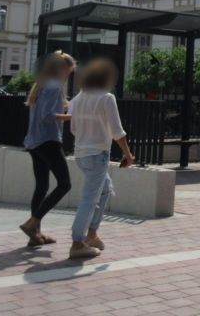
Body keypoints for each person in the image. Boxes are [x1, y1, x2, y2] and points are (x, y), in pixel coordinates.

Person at [65, 58, 134, 259]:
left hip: (81, 154)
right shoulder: (106, 98)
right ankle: (77, 242)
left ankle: (92, 234)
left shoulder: (79, 98)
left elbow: (73, 127)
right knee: (89, 198)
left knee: (104, 190)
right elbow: (117, 132)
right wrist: (128, 155)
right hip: (97, 156)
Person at [20, 50, 76, 247]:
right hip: (47, 141)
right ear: (60, 69)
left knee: (42, 186)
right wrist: (72, 117)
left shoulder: (42, 84)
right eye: (68, 72)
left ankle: (35, 235)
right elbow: (47, 116)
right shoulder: (53, 86)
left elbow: (45, 111)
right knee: (65, 184)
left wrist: (64, 106)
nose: (68, 76)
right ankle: (32, 223)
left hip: (34, 142)